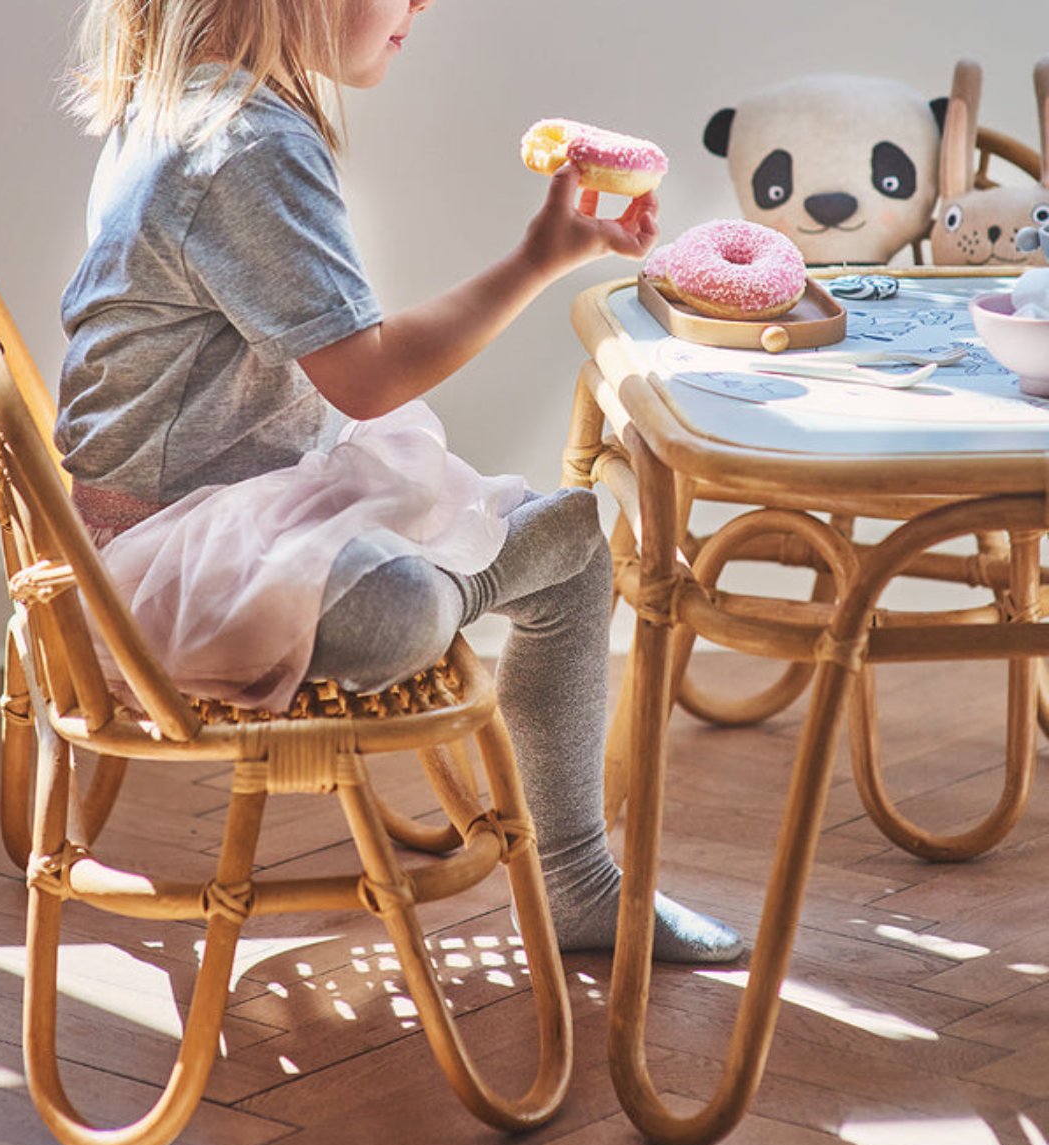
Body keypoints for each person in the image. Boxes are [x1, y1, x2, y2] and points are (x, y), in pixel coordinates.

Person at [56, 0, 742, 962]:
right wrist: (538, 262)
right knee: (404, 607)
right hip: (170, 564)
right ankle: (440, 600)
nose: (424, 3)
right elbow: (370, 380)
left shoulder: (188, 105)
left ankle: (576, 878)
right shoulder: (242, 147)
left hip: (220, 510)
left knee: (576, 537)